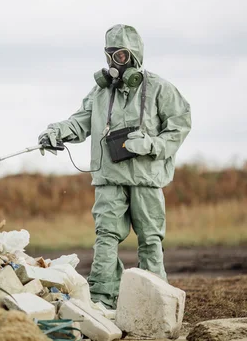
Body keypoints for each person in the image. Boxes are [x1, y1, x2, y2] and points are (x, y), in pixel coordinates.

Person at [38, 24, 191, 309]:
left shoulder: (160, 88)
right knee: (105, 237)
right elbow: (80, 121)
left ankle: (155, 301)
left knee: (150, 240)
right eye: (109, 55)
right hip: (109, 177)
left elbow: (180, 125)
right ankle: (101, 301)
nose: (114, 62)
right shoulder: (99, 94)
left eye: (120, 55)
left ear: (134, 56)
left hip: (146, 178)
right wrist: (57, 131)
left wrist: (151, 145)